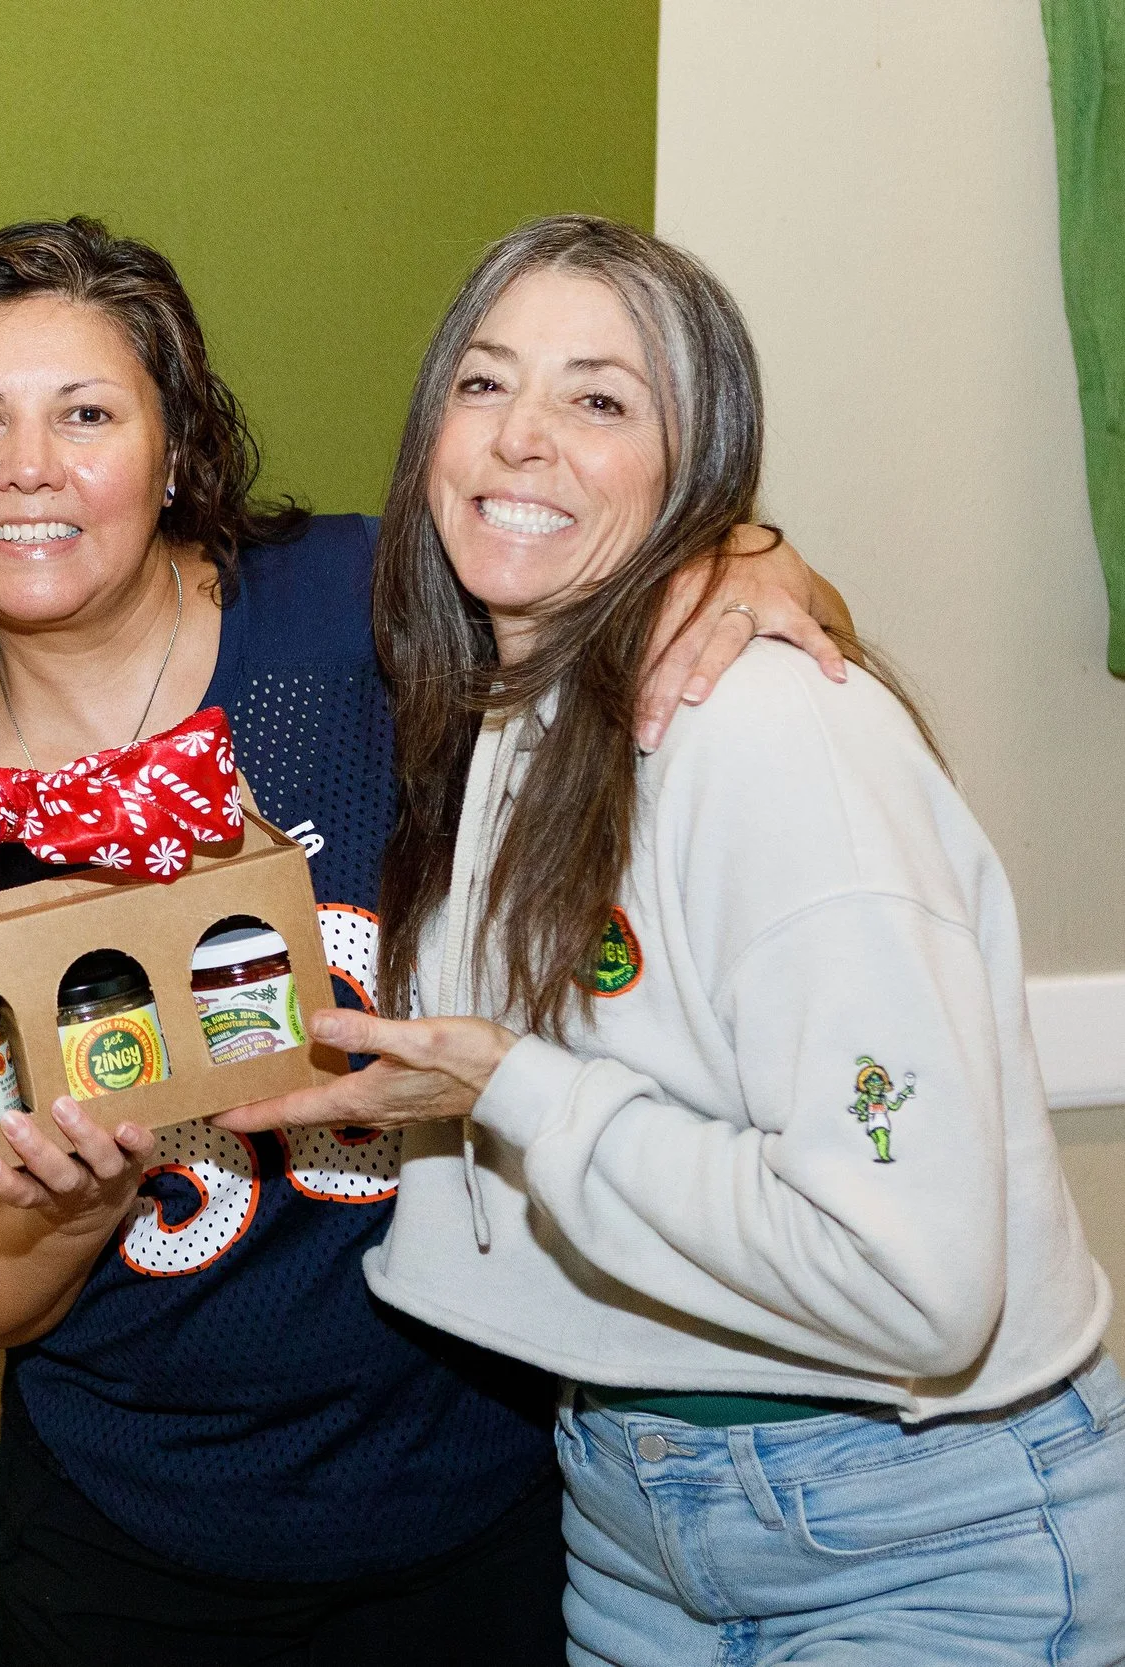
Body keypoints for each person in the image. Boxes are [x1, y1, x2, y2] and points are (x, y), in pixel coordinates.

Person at [0, 217, 847, 1665]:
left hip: (485, 1513)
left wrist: (749, 555)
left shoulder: (357, 611)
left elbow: (640, 580)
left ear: (172, 453)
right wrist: (74, 1202)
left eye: (87, 414)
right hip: (126, 1550)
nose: (28, 466)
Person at [221, 214, 1123, 1663]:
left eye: (598, 399)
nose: (522, 438)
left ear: (696, 469)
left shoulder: (766, 731)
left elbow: (920, 1284)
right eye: (483, 382)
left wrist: (514, 1087)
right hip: (632, 1515)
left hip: (922, 1532)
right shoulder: (498, 711)